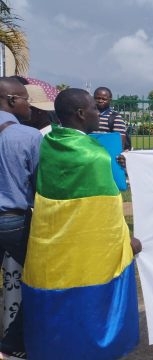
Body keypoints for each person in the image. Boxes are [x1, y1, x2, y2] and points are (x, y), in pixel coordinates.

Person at [22, 88, 141, 359]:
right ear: (80, 113)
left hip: (51, 252)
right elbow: (107, 215)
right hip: (88, 255)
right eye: (93, 109)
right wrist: (127, 241)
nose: (98, 113)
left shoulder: (48, 144)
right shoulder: (94, 156)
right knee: (89, 307)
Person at [0, 77, 40, 360]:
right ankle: (13, 343)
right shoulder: (28, 136)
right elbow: (41, 185)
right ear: (12, 100)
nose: (30, 103)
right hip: (14, 221)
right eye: (26, 98)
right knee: (42, 281)